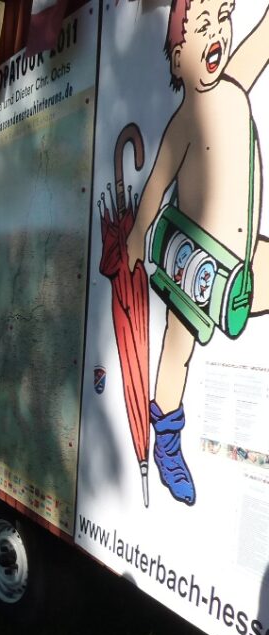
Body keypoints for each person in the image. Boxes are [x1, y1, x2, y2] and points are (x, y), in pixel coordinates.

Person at [126, 0, 269, 504]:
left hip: (245, 260)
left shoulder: (232, 86)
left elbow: (262, 41)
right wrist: (138, 237)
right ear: (175, 55)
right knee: (177, 351)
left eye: (223, 20)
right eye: (203, 25)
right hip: (197, 266)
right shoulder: (186, 119)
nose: (218, 35)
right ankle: (166, 440)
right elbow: (157, 183)